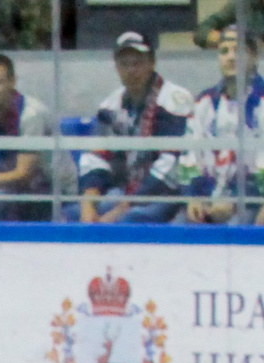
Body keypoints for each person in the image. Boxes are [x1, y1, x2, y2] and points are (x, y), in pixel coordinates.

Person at [78, 31, 195, 226]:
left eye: (137, 62)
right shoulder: (111, 105)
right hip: (125, 191)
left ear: (152, 62)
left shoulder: (175, 100)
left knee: (128, 220)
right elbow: (95, 157)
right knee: (71, 215)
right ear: (116, 67)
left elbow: (171, 165)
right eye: (124, 64)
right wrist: (88, 206)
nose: (131, 70)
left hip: (167, 195)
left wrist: (121, 210)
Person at [185, 34, 264, 226]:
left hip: (253, 200)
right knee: (180, 230)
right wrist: (194, 196)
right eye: (224, 51)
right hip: (210, 197)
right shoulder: (205, 101)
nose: (231, 57)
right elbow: (190, 153)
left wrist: (236, 201)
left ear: (254, 57)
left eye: (238, 51)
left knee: (237, 225)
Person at [0, 50, 52, 223]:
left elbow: (24, 173)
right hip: (9, 188)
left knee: (0, 199)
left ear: (12, 82)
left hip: (52, 190)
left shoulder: (31, 114)